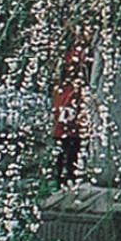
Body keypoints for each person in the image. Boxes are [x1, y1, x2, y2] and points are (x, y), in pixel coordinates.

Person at [50, 48, 87, 185]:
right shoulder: (60, 86)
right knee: (61, 153)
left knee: (73, 153)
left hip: (73, 126)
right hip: (62, 124)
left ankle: (70, 177)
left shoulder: (77, 87)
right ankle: (60, 178)